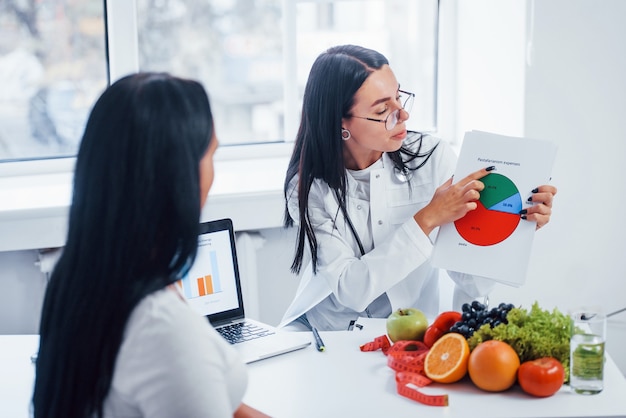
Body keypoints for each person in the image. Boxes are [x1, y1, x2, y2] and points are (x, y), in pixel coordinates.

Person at [32, 73, 269, 418]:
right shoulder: (163, 330)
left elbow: (228, 408)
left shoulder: (84, 278)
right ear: (180, 177)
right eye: (211, 155)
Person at [279, 45, 557, 331]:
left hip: (413, 330)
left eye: (399, 97)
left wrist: (511, 229)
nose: (402, 115)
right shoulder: (307, 188)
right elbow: (354, 290)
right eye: (382, 109)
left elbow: (472, 282)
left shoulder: (432, 157)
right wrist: (428, 218)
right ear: (341, 124)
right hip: (328, 333)